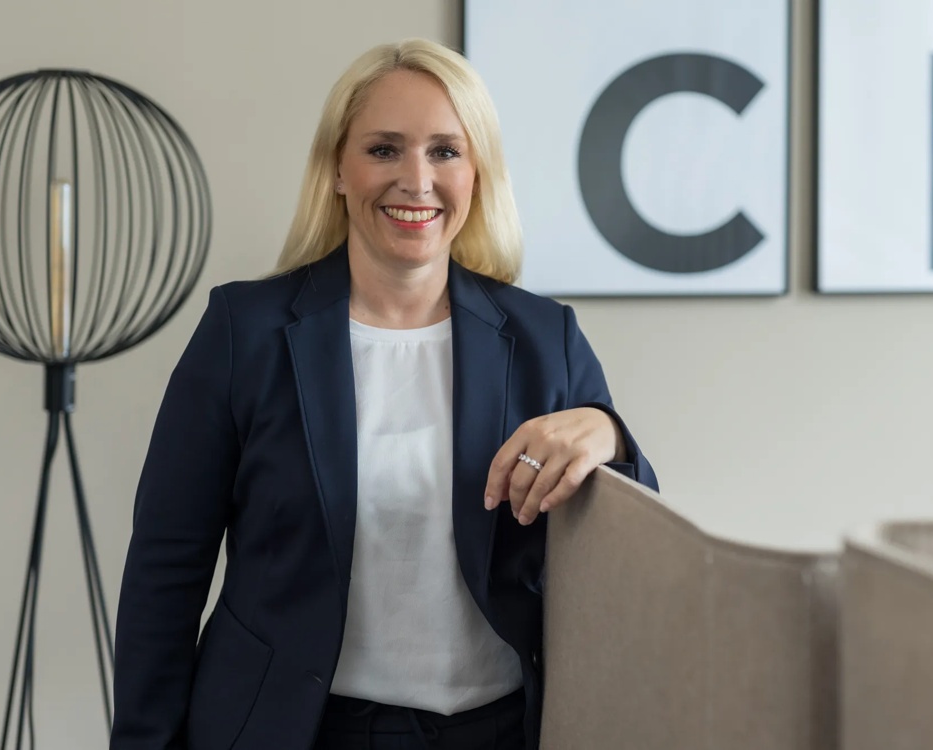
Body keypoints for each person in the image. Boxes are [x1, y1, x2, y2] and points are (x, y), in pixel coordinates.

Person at [109, 38, 658, 750]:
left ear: (478, 171)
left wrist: (608, 435)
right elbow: (166, 566)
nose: (416, 180)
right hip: (291, 730)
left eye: (444, 152)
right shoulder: (244, 331)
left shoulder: (546, 337)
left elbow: (634, 544)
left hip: (498, 734)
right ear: (337, 167)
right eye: (384, 150)